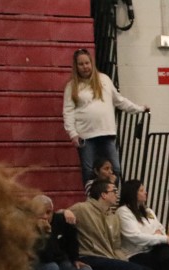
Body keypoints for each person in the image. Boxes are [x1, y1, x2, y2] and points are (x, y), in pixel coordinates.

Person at [69, 178, 157, 270]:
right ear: (103, 194)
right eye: (114, 191)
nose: (117, 194)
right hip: (89, 257)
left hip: (108, 258)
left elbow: (116, 246)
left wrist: (124, 260)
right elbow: (59, 215)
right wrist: (65, 212)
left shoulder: (113, 216)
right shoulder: (82, 208)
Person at [62, 48, 148, 186]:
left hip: (106, 132)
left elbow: (119, 100)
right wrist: (73, 134)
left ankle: (112, 195)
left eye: (87, 63)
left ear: (92, 63)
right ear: (76, 66)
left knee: (116, 169)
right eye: (81, 64)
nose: (85, 67)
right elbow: (68, 112)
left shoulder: (104, 80)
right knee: (89, 171)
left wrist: (139, 109)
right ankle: (92, 198)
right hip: (85, 136)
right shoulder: (71, 87)